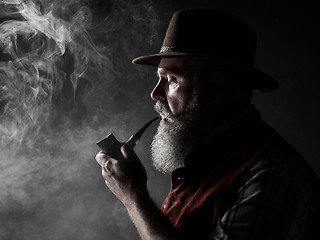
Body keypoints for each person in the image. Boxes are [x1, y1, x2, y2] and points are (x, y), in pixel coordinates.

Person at [95, 8, 320, 239]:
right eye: (158, 78)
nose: (155, 93)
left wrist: (134, 198)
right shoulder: (206, 167)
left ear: (216, 87)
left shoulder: (272, 174)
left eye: (171, 79)